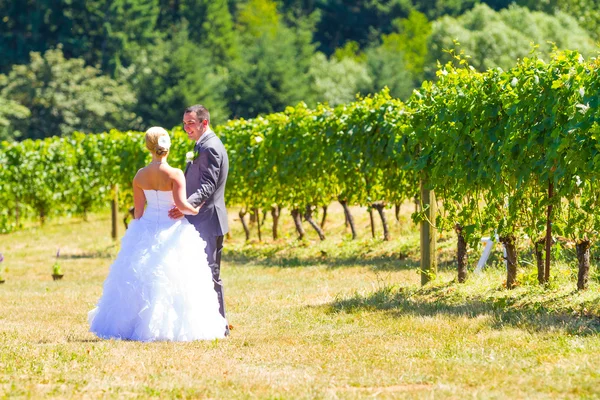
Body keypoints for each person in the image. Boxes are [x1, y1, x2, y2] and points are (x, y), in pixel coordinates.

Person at [88, 127, 226, 341]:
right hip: (172, 230)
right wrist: (195, 209)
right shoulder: (175, 174)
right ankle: (170, 328)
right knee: (178, 278)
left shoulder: (140, 176)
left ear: (148, 147)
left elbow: (139, 211)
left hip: (147, 227)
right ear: (167, 147)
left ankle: (132, 325)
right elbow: (182, 205)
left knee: (139, 276)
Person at [168, 105, 230, 336]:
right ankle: (205, 325)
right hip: (200, 218)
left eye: (191, 123)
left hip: (207, 219)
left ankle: (220, 328)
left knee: (210, 274)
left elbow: (208, 185)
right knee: (199, 272)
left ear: (204, 123)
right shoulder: (202, 145)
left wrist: (186, 207)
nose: (186, 128)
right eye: (184, 123)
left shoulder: (210, 146)